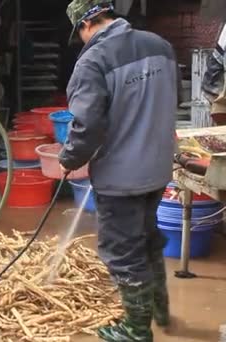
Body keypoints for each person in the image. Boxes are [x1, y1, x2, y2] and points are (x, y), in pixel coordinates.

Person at [59, 1, 178, 341]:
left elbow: (87, 126)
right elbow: (174, 98)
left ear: (86, 24)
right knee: (147, 240)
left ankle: (136, 331)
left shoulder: (93, 61)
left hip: (121, 177)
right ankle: (159, 308)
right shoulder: (160, 45)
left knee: (122, 253)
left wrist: (68, 158)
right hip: (157, 169)